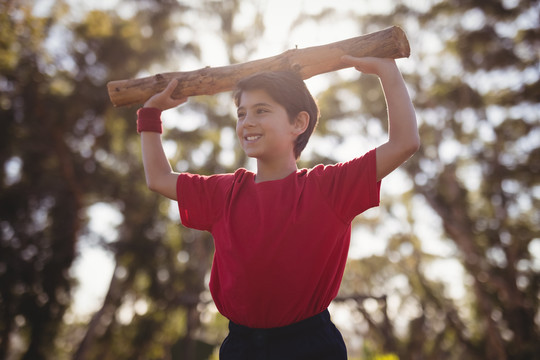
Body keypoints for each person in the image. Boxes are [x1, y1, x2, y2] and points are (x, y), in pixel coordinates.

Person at [137, 55, 419, 359]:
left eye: (261, 110)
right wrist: (150, 114)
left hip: (310, 345)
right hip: (241, 347)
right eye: (241, 113)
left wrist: (386, 70)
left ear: (298, 123)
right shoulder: (223, 192)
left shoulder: (327, 188)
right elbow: (159, 178)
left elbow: (404, 142)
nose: (248, 122)